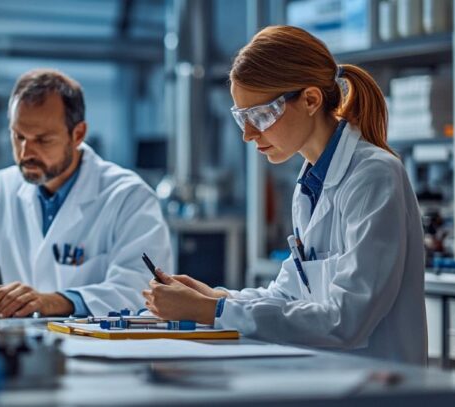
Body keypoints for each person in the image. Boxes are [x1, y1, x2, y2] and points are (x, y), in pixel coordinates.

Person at [142, 26, 427, 364]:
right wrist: (217, 297)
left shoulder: (373, 175)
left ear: (310, 100)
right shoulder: (309, 185)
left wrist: (213, 311)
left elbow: (347, 320)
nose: (248, 135)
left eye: (260, 115)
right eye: (242, 118)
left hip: (383, 387)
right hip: (331, 380)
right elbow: (287, 295)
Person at [0, 69, 172, 319]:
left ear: (77, 134)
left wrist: (54, 301)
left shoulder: (129, 197)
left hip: (99, 349)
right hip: (26, 346)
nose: (26, 153)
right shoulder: (1, 189)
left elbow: (143, 290)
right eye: (19, 136)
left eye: (43, 139)